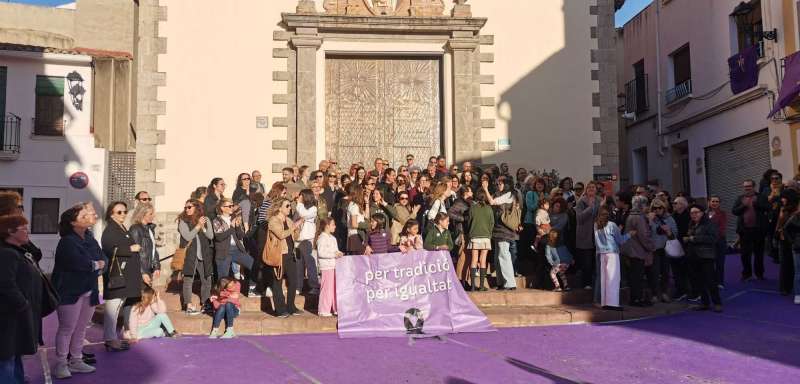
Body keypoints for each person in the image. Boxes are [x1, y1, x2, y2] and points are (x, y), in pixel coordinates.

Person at [51, 203, 107, 379]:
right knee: (67, 328)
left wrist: (99, 265)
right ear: (73, 223)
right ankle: (61, 364)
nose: (89, 217)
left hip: (89, 288)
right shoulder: (67, 241)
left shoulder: (89, 238)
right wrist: (96, 265)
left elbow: (103, 258)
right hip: (69, 291)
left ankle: (76, 360)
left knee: (81, 328)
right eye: (83, 216)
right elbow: (78, 263)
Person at [0, 215, 45, 384]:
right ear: (10, 232)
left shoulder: (18, 250)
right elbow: (5, 284)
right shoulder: (7, 254)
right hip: (8, 316)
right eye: (24, 229)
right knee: (6, 357)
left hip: (16, 315)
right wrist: (23, 304)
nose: (28, 232)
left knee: (15, 352)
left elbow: (36, 254)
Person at [100, 201, 142, 352]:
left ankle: (112, 338)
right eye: (119, 212)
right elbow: (109, 248)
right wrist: (130, 248)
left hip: (124, 276)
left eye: (125, 211)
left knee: (117, 306)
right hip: (116, 275)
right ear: (111, 214)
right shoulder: (110, 230)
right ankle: (110, 339)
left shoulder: (121, 227)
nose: (123, 214)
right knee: (112, 308)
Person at [265, 198, 302, 317]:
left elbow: (294, 237)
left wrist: (297, 229)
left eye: (290, 206)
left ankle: (291, 307)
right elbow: (281, 235)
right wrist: (293, 227)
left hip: (290, 254)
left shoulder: (289, 220)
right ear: (279, 208)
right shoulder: (273, 220)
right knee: (277, 282)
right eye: (287, 206)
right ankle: (280, 310)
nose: (290, 208)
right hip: (279, 254)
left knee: (293, 281)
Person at [178, 199, 214, 315]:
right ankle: (188, 305)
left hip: (203, 254)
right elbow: (188, 236)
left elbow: (210, 236)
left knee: (207, 279)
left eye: (189, 207)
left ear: (197, 207)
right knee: (188, 279)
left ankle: (205, 303)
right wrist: (198, 226)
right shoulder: (183, 221)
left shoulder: (205, 219)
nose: (187, 209)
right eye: (185, 207)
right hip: (190, 254)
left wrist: (203, 227)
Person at [684, 204, 722, 312]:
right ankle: (705, 303)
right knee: (699, 281)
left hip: (706, 256)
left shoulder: (709, 224)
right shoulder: (691, 224)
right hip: (693, 256)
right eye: (692, 213)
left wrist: (694, 238)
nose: (694, 215)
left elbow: (713, 238)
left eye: (696, 212)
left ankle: (717, 303)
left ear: (702, 213)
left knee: (710, 281)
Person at [622, 196, 657, 307]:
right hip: (637, 251)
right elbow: (643, 236)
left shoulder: (631, 215)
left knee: (634, 276)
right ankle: (637, 299)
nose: (647, 207)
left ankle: (636, 298)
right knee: (637, 277)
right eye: (646, 205)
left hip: (631, 250)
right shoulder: (639, 218)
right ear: (642, 205)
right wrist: (651, 247)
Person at [732, 179, 769, 281]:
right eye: (745, 186)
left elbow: (768, 207)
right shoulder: (740, 198)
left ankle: (759, 274)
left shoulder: (761, 197)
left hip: (758, 230)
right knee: (744, 254)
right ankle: (747, 274)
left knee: (759, 253)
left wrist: (758, 205)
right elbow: (734, 211)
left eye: (749, 186)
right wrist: (743, 206)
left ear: (754, 187)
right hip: (744, 230)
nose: (747, 188)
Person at [594, 208, 631, 310]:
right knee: (613, 278)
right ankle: (612, 303)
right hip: (612, 253)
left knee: (602, 278)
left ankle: (602, 301)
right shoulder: (612, 225)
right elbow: (620, 240)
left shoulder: (596, 225)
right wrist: (629, 234)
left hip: (600, 253)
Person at [212, 198, 255, 285]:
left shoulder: (234, 218)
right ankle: (221, 293)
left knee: (253, 265)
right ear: (222, 208)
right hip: (224, 251)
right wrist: (231, 227)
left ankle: (252, 286)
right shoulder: (217, 220)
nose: (232, 207)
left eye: (232, 205)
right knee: (223, 278)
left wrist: (238, 226)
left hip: (236, 249)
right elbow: (219, 237)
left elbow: (240, 236)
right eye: (229, 206)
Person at [648, 199, 677, 303]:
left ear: (663, 208)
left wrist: (668, 231)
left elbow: (675, 234)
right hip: (654, 249)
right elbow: (646, 233)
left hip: (666, 248)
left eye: (659, 208)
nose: (657, 210)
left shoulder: (669, 218)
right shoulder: (650, 218)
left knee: (665, 272)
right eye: (654, 208)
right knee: (654, 273)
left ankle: (665, 293)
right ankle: (655, 294)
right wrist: (650, 221)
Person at [575, 181, 601, 290]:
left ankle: (596, 283)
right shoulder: (581, 201)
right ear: (586, 190)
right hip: (585, 235)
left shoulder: (599, 200)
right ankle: (586, 283)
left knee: (595, 261)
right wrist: (590, 207)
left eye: (593, 187)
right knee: (587, 262)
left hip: (597, 235)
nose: (591, 189)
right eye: (589, 187)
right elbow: (579, 218)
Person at [294, 189, 320, 295]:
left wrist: (299, 203)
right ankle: (298, 286)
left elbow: (303, 214)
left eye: (301, 196)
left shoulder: (313, 209)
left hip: (307, 239)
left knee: (310, 263)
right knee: (298, 264)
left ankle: (314, 286)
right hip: (298, 239)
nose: (299, 198)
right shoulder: (298, 207)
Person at [468, 189, 494, 291]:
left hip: (474, 235)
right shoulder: (489, 208)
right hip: (485, 236)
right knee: (483, 260)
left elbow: (469, 222)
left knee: (474, 259)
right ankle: (482, 286)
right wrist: (489, 234)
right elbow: (492, 223)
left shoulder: (472, 208)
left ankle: (473, 286)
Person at [128, 203, 161, 285]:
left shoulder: (150, 229)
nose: (153, 215)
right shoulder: (135, 229)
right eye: (151, 214)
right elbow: (135, 254)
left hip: (148, 270)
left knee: (148, 292)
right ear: (142, 214)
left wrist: (157, 267)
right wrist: (143, 272)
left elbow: (153, 250)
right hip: (139, 272)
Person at [316, 218, 341, 317]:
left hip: (334, 266)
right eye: (333, 224)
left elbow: (336, 251)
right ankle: (323, 310)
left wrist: (339, 254)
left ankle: (335, 308)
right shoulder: (322, 238)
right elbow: (321, 253)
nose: (335, 226)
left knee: (334, 288)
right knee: (326, 289)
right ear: (327, 226)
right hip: (326, 267)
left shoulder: (333, 238)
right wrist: (334, 254)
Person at [448, 186, 472, 287]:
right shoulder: (459, 202)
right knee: (463, 257)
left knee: (467, 257)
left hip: (468, 232)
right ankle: (459, 280)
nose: (472, 193)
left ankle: (465, 280)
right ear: (466, 192)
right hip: (461, 232)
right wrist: (462, 218)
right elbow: (450, 213)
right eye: (470, 191)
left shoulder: (469, 202)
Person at [780, 189, 800, 304]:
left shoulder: (793, 211)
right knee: (796, 270)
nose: (782, 200)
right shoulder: (792, 213)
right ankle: (796, 293)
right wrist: (792, 241)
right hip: (795, 245)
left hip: (793, 243)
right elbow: (785, 228)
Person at [707, 196, 729, 289]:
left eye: (717, 201)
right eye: (713, 201)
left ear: (719, 203)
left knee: (720, 263)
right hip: (708, 242)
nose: (715, 203)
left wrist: (711, 236)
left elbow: (722, 228)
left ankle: (719, 282)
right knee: (709, 263)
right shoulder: (704, 213)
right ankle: (710, 281)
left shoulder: (723, 214)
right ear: (709, 202)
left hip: (719, 241)